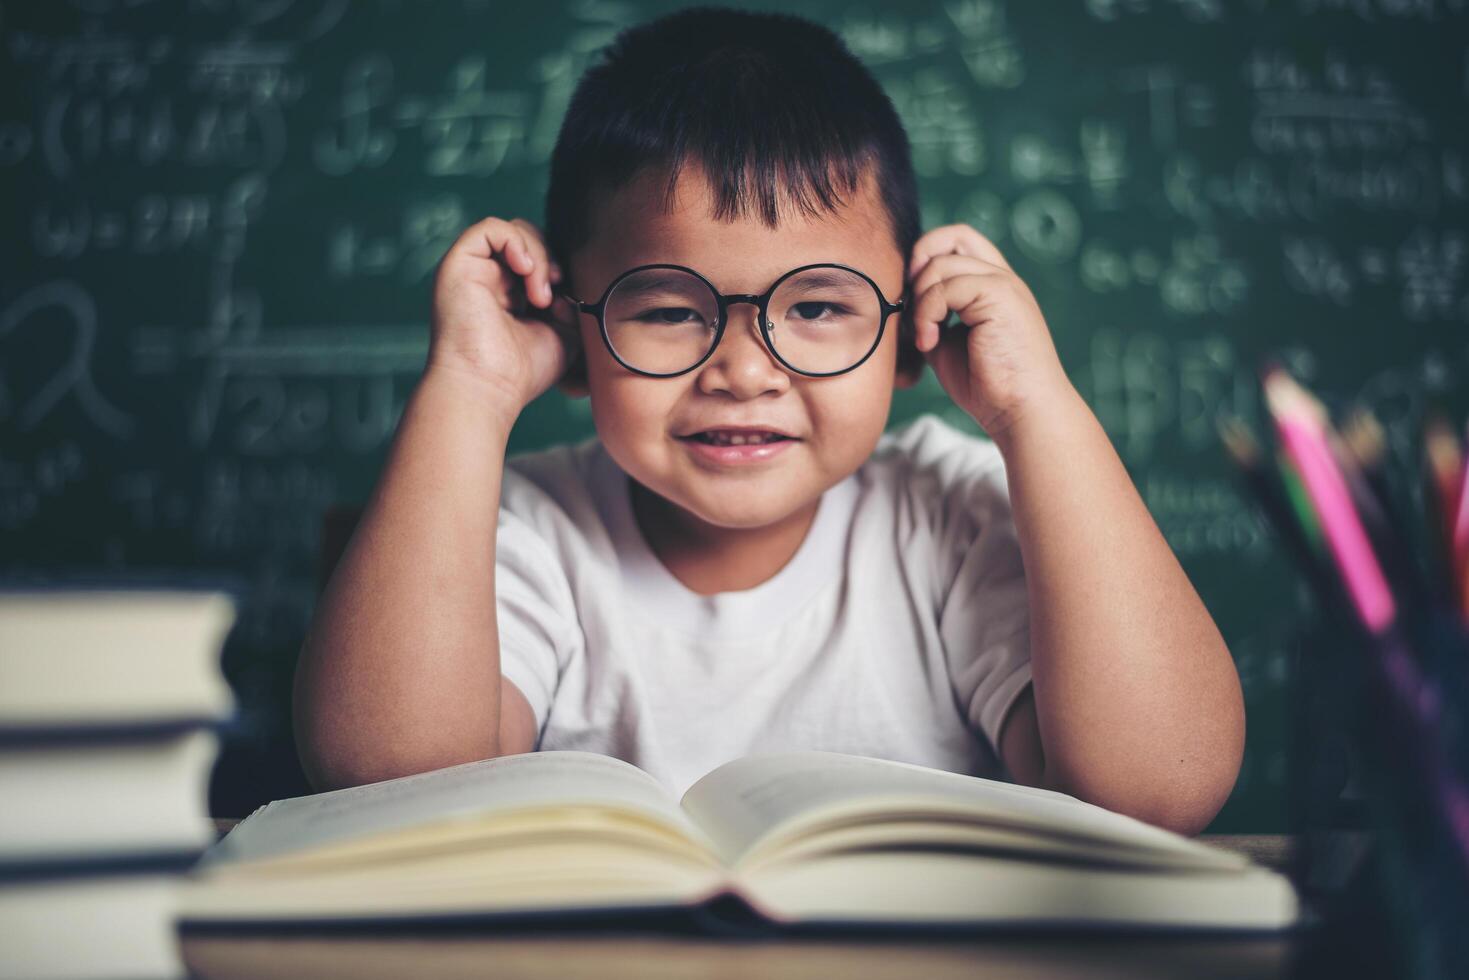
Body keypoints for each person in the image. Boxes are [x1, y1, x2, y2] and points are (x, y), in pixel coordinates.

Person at [293, 6, 1245, 836]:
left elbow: (1160, 788)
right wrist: (468, 388)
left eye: (820, 308)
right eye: (666, 309)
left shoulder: (948, 512)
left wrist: (1037, 406)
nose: (744, 371)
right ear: (573, 332)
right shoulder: (529, 534)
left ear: (908, 333)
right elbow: (390, 787)